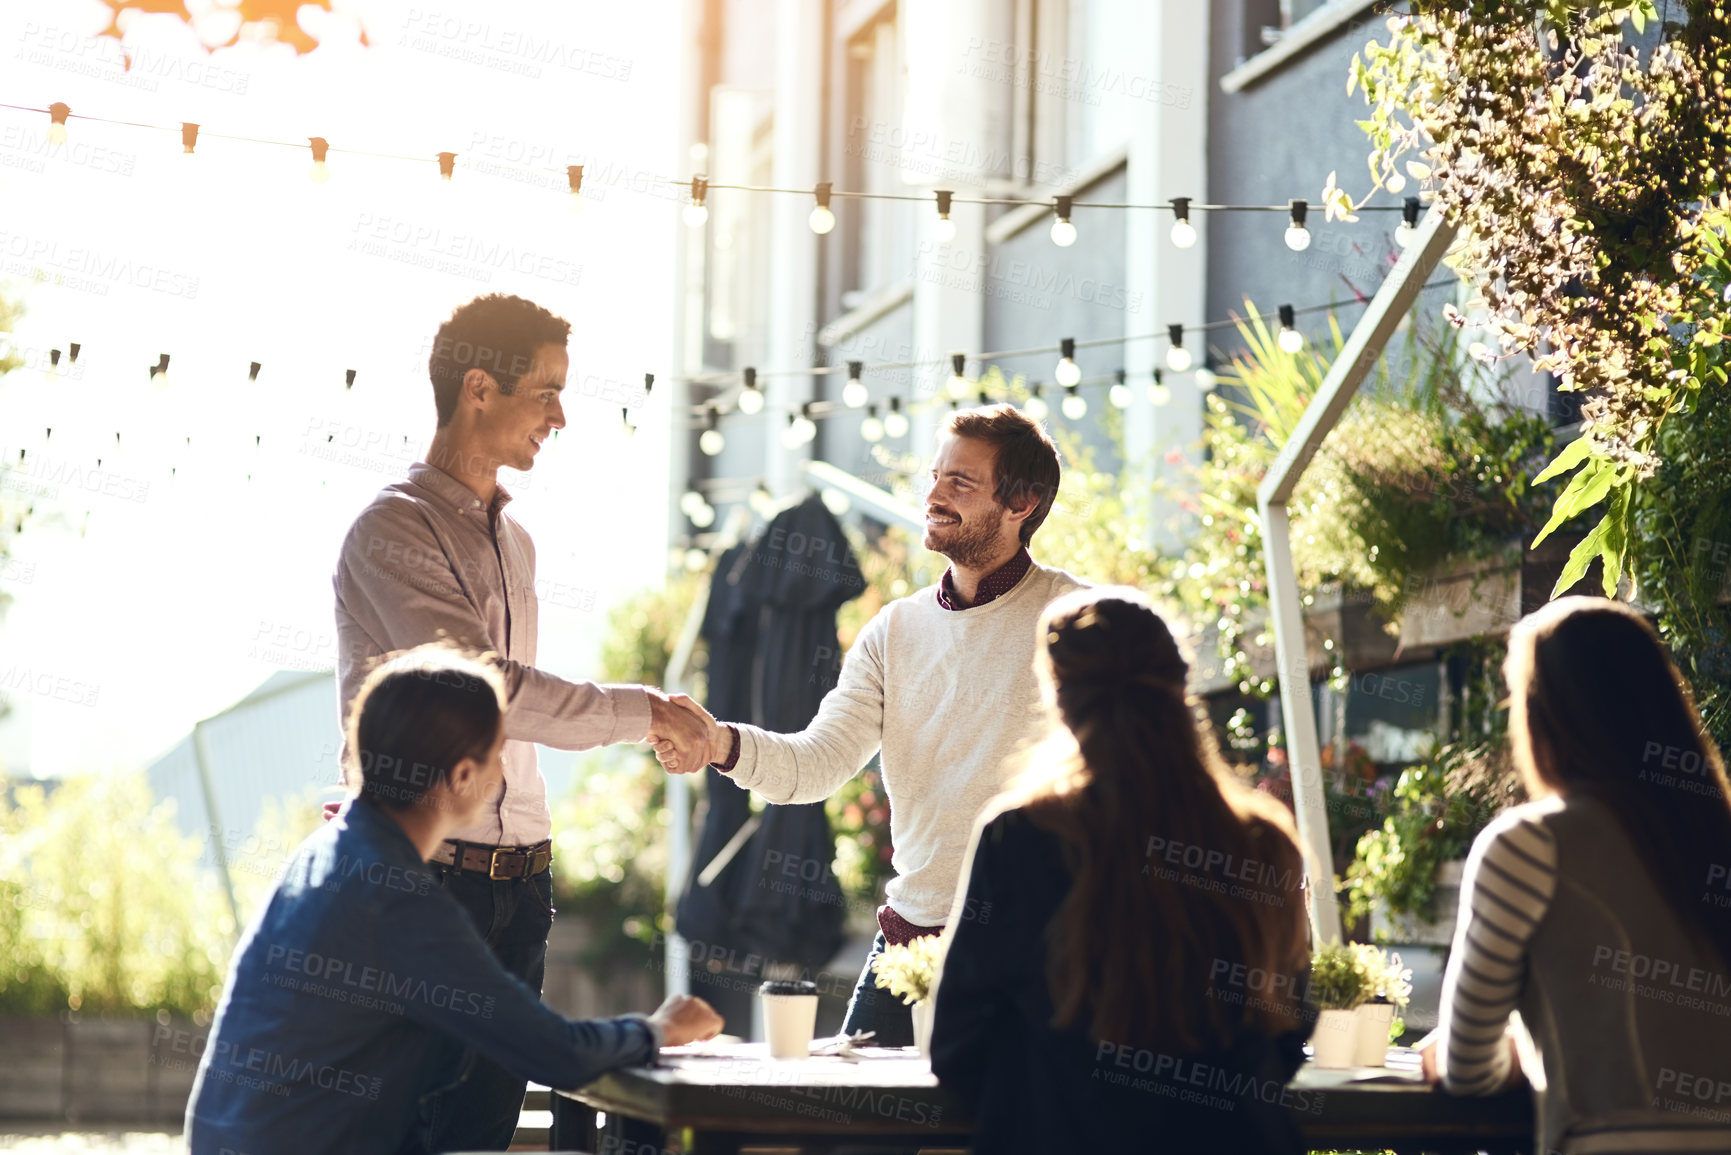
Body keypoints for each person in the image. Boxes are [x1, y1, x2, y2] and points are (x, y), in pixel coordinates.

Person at [330, 293, 710, 1150]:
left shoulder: (519, 544)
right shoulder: (391, 529)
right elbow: (487, 688)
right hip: (426, 880)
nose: (561, 415)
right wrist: (639, 710)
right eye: (545, 391)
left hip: (520, 881)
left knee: (481, 1133)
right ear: (477, 387)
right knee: (407, 1129)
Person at [660, 405, 1089, 1045]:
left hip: (1042, 944)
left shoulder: (1077, 621)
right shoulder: (894, 630)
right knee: (851, 1134)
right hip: (910, 939)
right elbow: (816, 764)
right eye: (935, 476)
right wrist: (721, 743)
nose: (934, 495)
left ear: (1021, 503)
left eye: (960, 483)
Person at [186, 646, 723, 1155]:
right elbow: (551, 1050)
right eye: (497, 757)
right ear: (464, 775)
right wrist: (657, 1030)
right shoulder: (398, 898)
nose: (501, 775)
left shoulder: (328, 852)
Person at [926, 587, 1314, 1154]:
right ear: (1183, 687)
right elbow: (1290, 1029)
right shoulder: (1265, 841)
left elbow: (959, 1047)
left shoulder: (1019, 837)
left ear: (1058, 696)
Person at [1423, 597, 1731, 1154]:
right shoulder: (1713, 831)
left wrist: (1521, 1051)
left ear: (1544, 718)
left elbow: (1466, 1067)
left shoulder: (1527, 846)